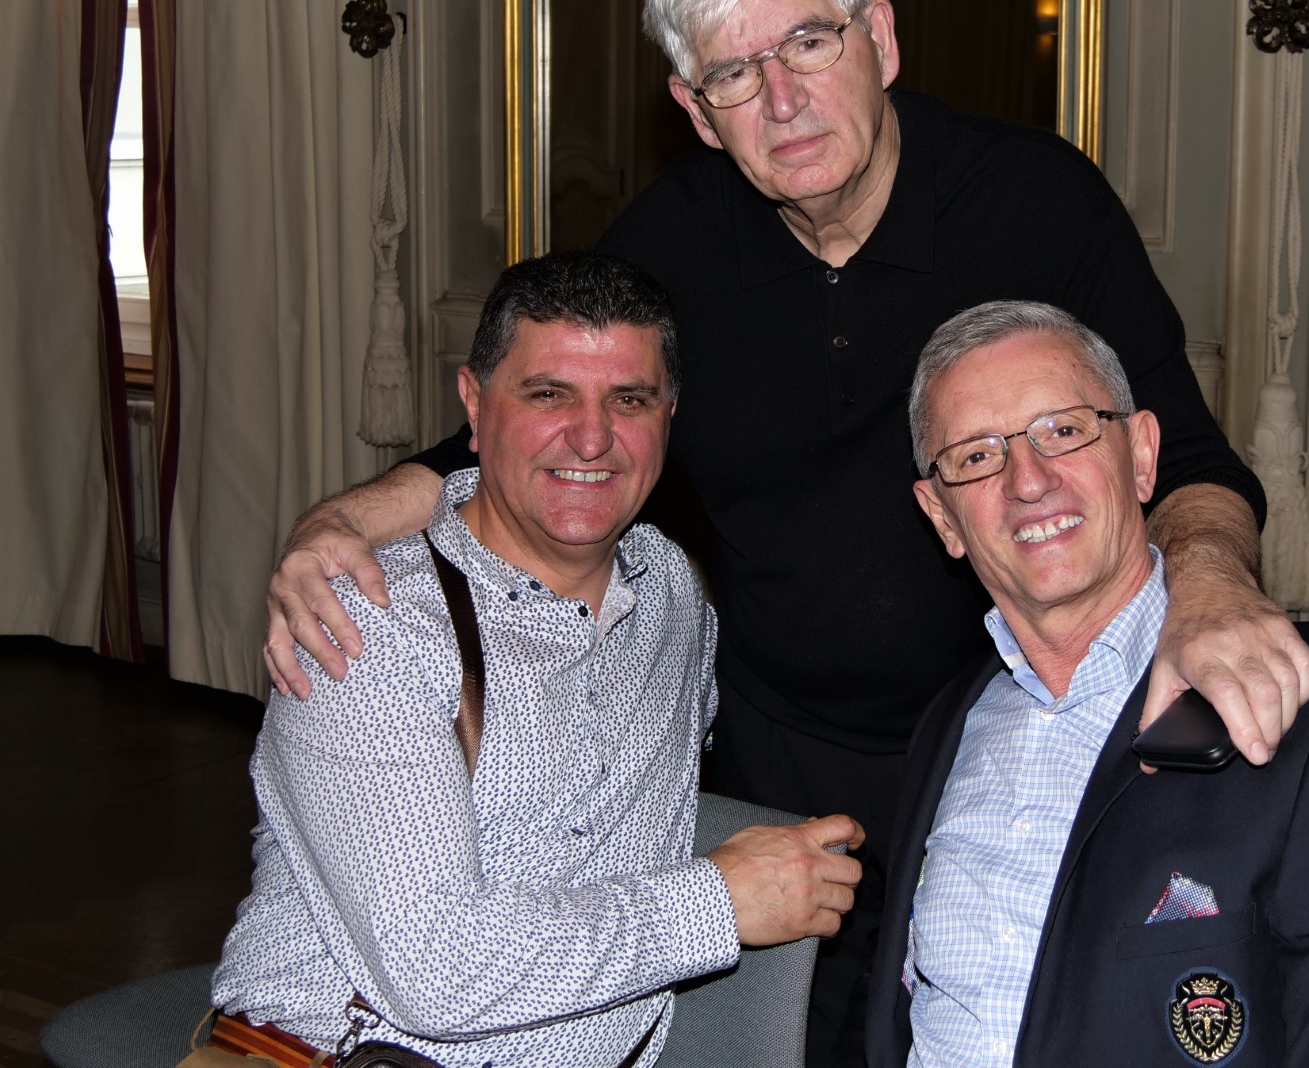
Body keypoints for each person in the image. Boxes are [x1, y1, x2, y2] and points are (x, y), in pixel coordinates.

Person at [261, 0, 1309, 1063]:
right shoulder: (673, 241)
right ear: (695, 111)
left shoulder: (1033, 202)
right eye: (733, 73)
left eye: (809, 42)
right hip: (780, 754)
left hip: (1010, 726)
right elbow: (540, 431)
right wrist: (339, 523)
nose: (781, 98)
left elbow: (1188, 458)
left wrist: (1212, 590)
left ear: (881, 39)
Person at [205, 253, 864, 1068]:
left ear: (670, 415)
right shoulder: (365, 628)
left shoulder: (672, 594)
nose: (591, 437)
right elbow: (437, 974)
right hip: (350, 1054)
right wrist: (716, 902)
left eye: (629, 400)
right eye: (548, 394)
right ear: (474, 406)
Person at [859, 300, 1309, 1066]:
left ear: (1144, 455)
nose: (1029, 480)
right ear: (942, 517)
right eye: (977, 455)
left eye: (1064, 430)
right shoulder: (949, 729)